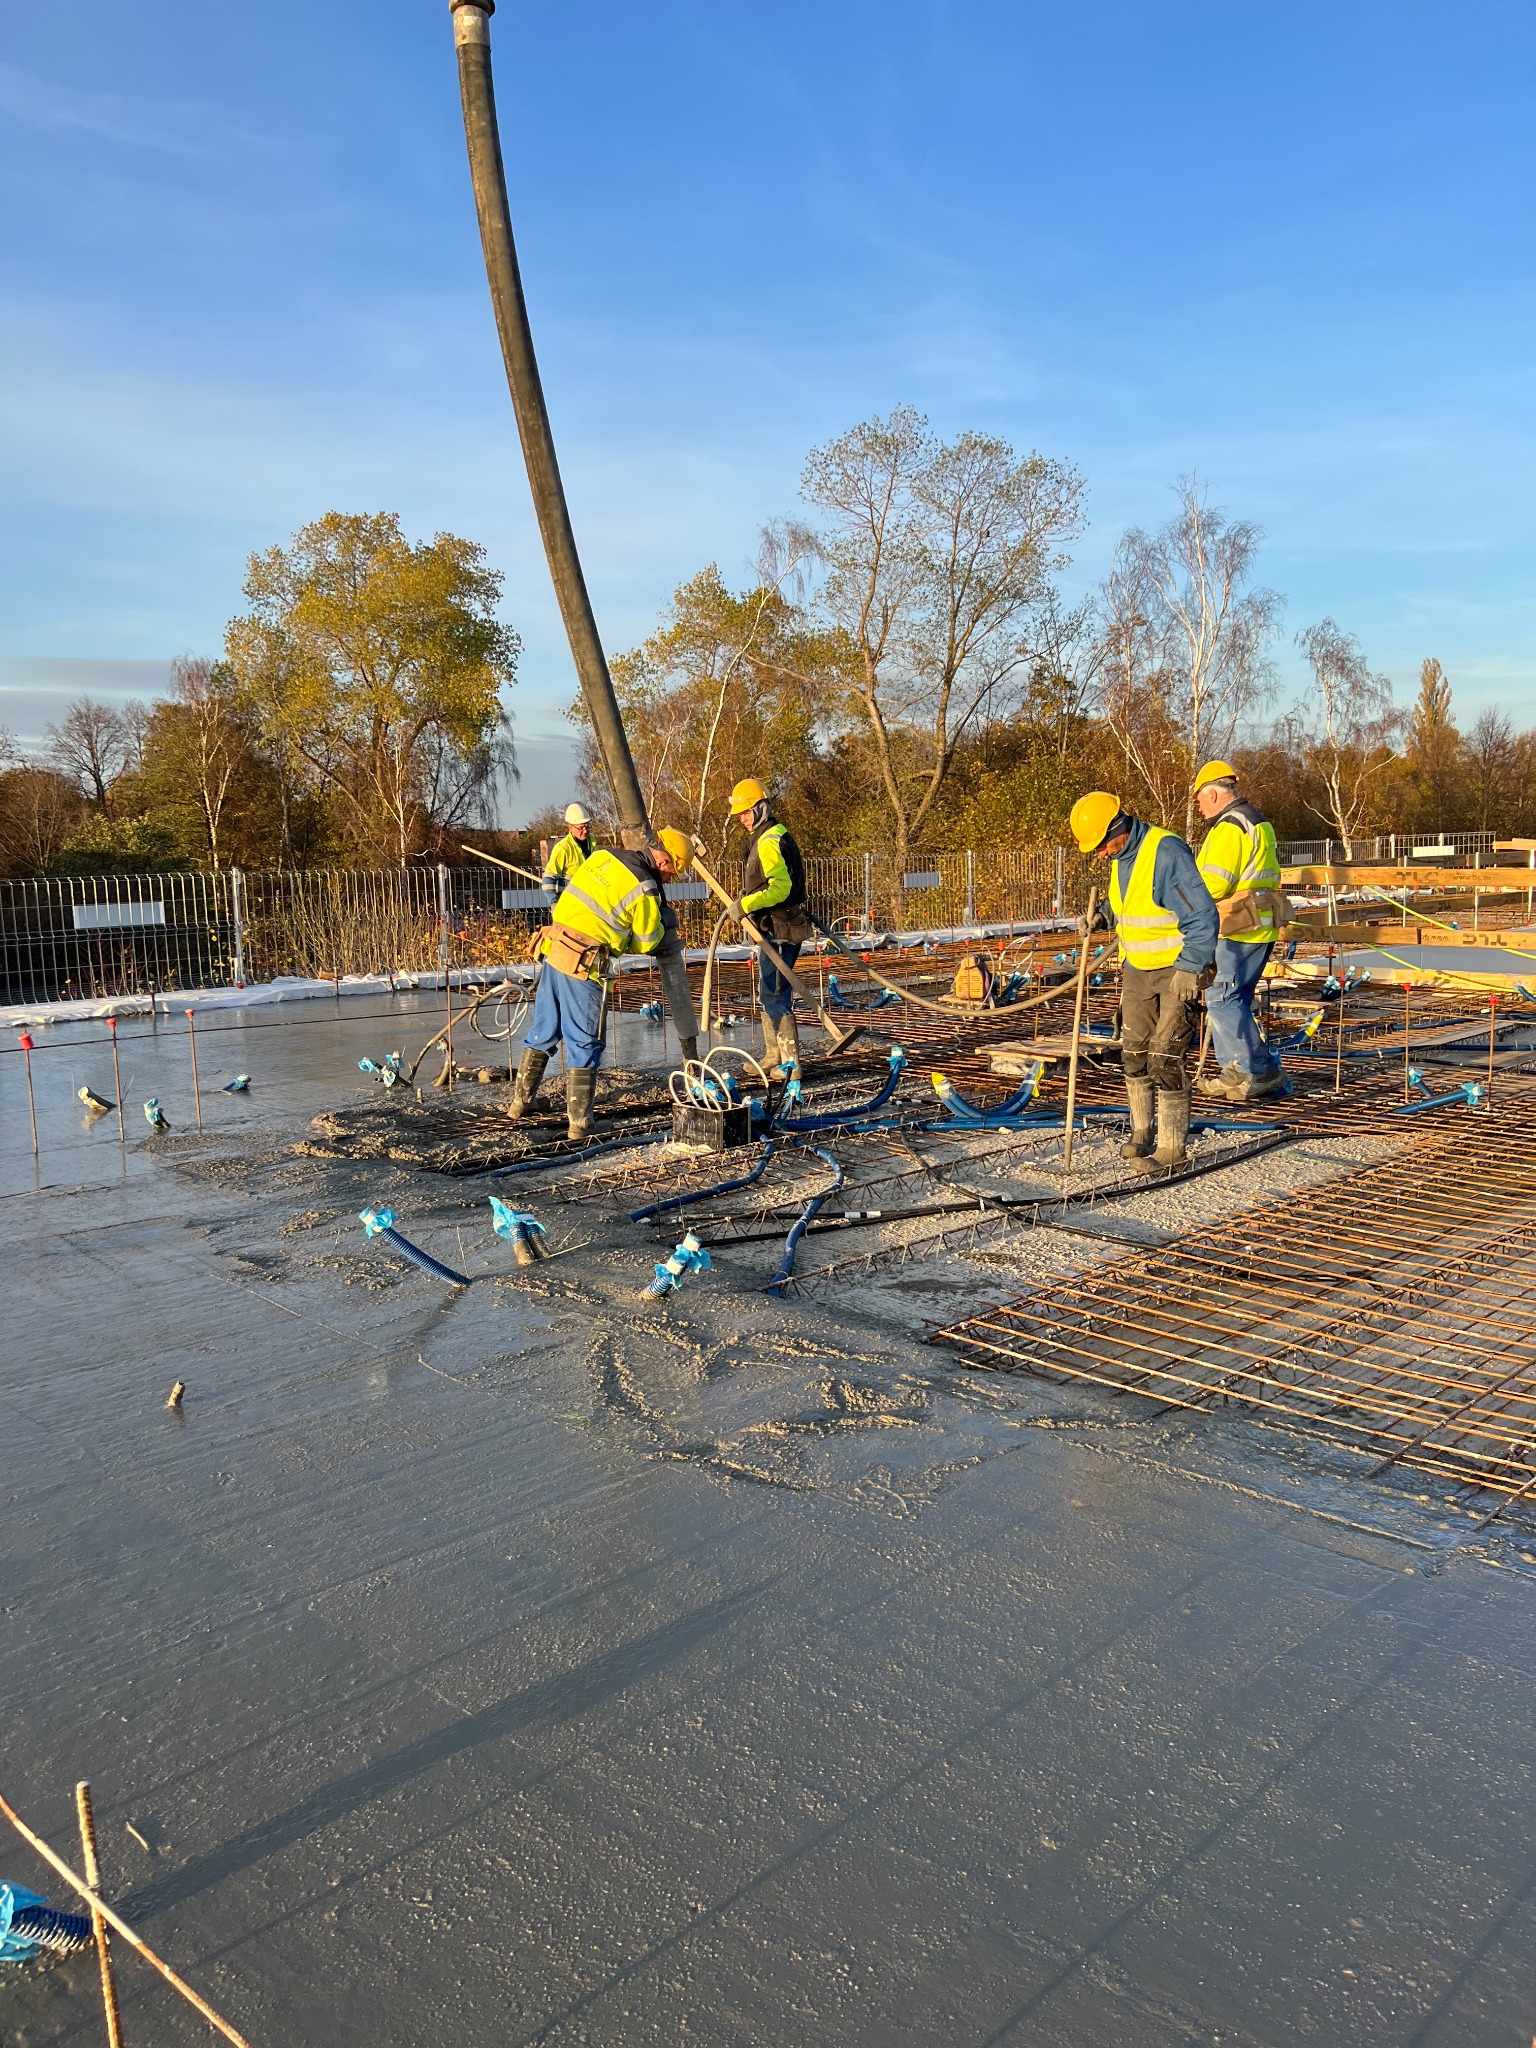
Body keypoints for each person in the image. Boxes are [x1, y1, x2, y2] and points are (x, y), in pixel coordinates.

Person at [510, 828, 694, 1139]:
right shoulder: (645, 887)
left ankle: (521, 1102)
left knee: (545, 1027)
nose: (669, 880)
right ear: (663, 860)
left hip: (554, 950)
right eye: (672, 872)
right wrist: (666, 925)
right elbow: (647, 942)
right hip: (584, 964)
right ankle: (580, 1123)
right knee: (585, 1039)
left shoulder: (603, 856)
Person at [1069, 790, 1218, 1170]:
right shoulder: (1120, 856)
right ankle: (1142, 1133)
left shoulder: (1166, 852)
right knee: (1133, 1053)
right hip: (1137, 970)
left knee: (1165, 1057)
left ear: (1117, 826)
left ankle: (1172, 1149)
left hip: (1175, 970)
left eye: (1102, 845)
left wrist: (1192, 965)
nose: (1101, 854)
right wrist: (1102, 916)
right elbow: (1128, 903)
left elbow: (1203, 917)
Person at [1191, 761, 1287, 1101]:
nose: (1199, 806)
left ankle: (1255, 1070)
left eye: (1199, 800)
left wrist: (1182, 898)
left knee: (1222, 997)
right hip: (1260, 923)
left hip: (1238, 926)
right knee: (1237, 999)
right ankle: (1238, 1070)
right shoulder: (1256, 821)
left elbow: (1215, 882)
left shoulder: (1230, 827)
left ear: (1213, 794)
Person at [725, 778, 812, 1078]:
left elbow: (781, 888)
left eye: (747, 812)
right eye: (740, 814)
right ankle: (774, 1054)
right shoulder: (770, 835)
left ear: (761, 808)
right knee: (769, 991)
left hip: (780, 928)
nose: (743, 819)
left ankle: (790, 1064)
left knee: (775, 993)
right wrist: (748, 899)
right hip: (775, 926)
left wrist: (746, 904)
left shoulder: (769, 840)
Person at [540, 804, 593, 902]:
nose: (585, 831)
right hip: (570, 902)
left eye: (587, 827)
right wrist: (553, 903)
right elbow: (548, 879)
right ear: (570, 828)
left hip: (589, 902)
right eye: (581, 828)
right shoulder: (563, 848)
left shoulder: (592, 843)